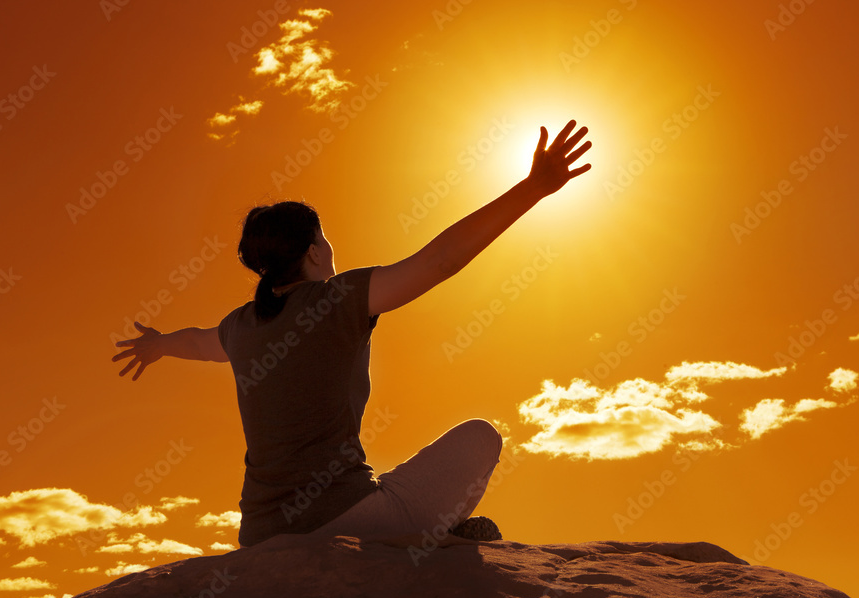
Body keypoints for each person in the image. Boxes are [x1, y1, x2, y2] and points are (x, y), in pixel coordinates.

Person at [112, 120, 592, 548]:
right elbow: (440, 261)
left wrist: (156, 345)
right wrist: (533, 188)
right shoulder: (337, 300)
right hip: (344, 520)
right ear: (315, 253)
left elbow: (196, 342)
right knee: (481, 437)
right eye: (324, 238)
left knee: (379, 480)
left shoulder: (242, 325)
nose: (330, 247)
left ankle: (421, 529)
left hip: (259, 533)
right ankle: (429, 538)